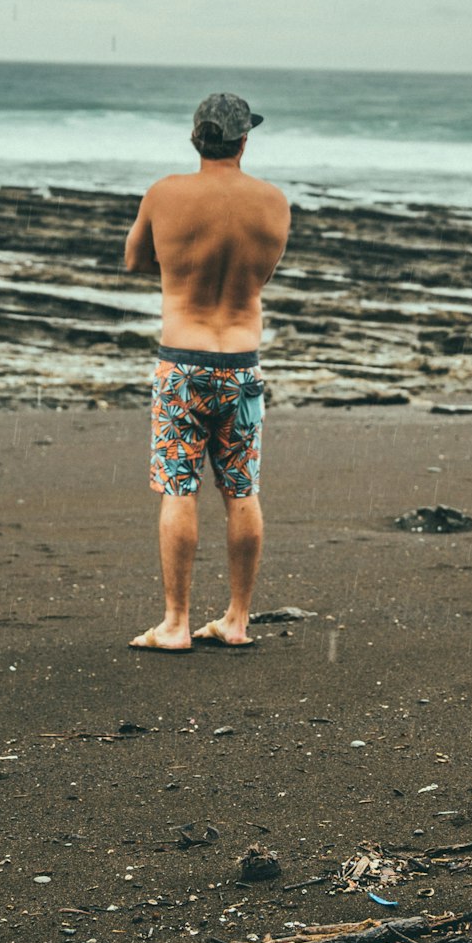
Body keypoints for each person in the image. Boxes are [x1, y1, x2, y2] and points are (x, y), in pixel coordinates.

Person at [124, 93, 290, 651]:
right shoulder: (274, 203)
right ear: (244, 141)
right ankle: (238, 620)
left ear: (196, 138)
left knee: (179, 490)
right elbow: (258, 273)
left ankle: (175, 624)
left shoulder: (165, 194)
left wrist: (179, 265)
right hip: (242, 366)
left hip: (182, 365)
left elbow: (134, 260)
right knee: (241, 492)